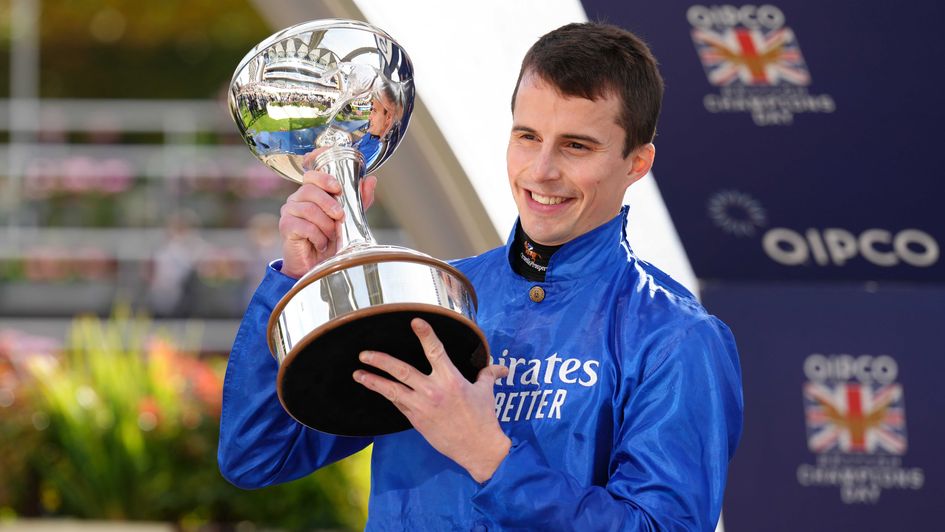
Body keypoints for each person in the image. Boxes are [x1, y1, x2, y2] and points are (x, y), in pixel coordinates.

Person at [219, 22, 743, 531]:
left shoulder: (676, 338)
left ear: (637, 162)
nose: (540, 170)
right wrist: (298, 278)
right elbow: (258, 455)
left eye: (576, 146)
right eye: (527, 136)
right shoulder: (431, 299)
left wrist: (489, 456)